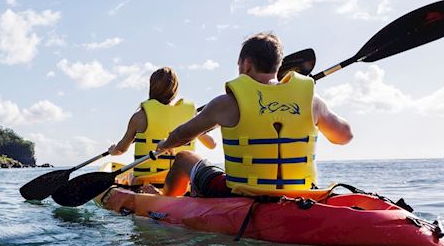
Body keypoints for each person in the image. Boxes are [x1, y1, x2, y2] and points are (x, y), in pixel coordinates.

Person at [156, 33, 353, 197]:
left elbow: (182, 135)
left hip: (242, 194)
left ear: (247, 64)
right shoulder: (312, 101)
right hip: (300, 194)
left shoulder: (225, 103)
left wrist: (165, 145)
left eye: (239, 65)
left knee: (183, 157)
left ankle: (165, 206)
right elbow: (345, 136)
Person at [108, 67, 215, 187]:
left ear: (152, 87)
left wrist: (113, 150)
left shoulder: (140, 116)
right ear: (175, 89)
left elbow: (121, 149)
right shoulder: (190, 115)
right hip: (181, 184)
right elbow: (212, 144)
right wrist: (197, 127)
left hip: (146, 182)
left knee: (130, 176)